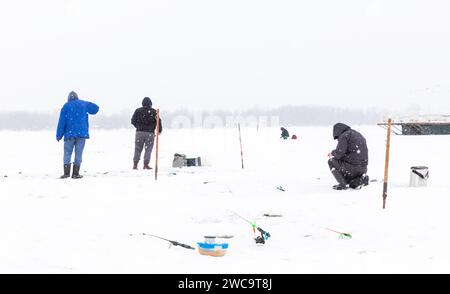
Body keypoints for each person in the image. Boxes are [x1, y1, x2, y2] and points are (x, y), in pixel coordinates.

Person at [56, 91, 100, 179]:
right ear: (77, 97)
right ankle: (76, 173)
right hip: (81, 134)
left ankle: (66, 173)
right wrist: (85, 103)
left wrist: (59, 135)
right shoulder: (83, 104)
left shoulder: (66, 106)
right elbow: (95, 108)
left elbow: (62, 122)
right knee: (78, 153)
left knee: (67, 153)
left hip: (69, 134)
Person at [328, 123, 369, 190]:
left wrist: (332, 153)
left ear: (338, 131)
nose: (338, 139)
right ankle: (359, 180)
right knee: (352, 181)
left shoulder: (344, 136)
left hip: (353, 168)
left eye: (337, 137)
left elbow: (339, 153)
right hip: (363, 168)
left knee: (331, 161)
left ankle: (343, 185)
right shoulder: (358, 134)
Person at [131, 97, 162, 170]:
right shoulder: (154, 112)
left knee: (137, 149)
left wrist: (138, 127)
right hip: (150, 133)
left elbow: (132, 121)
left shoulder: (138, 111)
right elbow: (159, 122)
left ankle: (135, 165)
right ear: (150, 104)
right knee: (148, 149)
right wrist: (159, 130)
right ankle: (146, 164)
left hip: (139, 133)